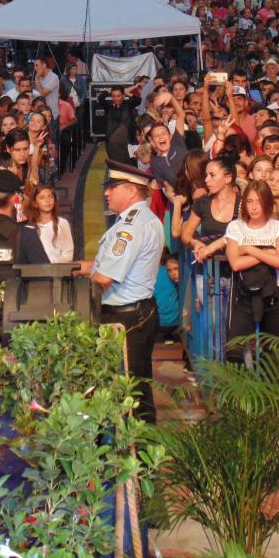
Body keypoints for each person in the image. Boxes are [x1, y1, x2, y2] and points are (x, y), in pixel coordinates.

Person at [77, 161, 165, 422]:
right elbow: (103, 265)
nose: (106, 192)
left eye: (112, 187)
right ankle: (143, 441)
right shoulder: (143, 219)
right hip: (138, 312)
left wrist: (80, 288)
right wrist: (74, 267)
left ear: (131, 190)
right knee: (138, 386)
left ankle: (137, 443)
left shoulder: (130, 226)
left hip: (125, 318)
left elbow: (105, 277)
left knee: (130, 390)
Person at [223, 180, 279, 355]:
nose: (254, 207)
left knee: (274, 353)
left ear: (267, 203)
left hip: (275, 295)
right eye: (250, 201)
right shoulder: (235, 227)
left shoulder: (278, 227)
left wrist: (249, 250)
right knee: (234, 350)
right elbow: (236, 263)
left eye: (259, 201)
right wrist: (267, 252)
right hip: (244, 294)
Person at [23, 184, 74, 263]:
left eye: (50, 197)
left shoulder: (62, 223)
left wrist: (51, 265)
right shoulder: (28, 227)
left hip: (57, 269)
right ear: (35, 203)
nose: (47, 201)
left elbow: (68, 255)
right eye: (42, 198)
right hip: (34, 269)